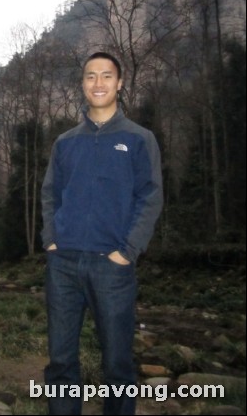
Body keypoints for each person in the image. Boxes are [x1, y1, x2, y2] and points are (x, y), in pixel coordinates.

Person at [41, 51, 163, 416]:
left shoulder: (139, 138)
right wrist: (51, 239)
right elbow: (50, 193)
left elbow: (151, 196)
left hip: (112, 266)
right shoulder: (65, 141)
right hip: (63, 264)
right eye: (91, 76)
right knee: (61, 361)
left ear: (120, 83)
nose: (98, 83)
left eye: (106, 76)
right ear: (82, 84)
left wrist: (128, 250)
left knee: (117, 363)